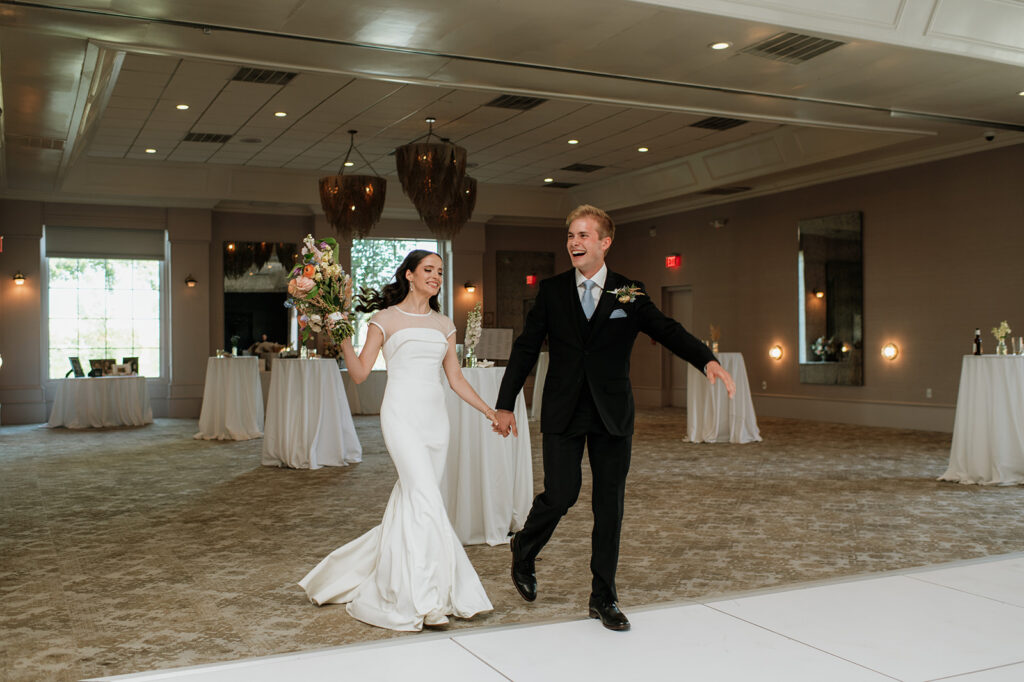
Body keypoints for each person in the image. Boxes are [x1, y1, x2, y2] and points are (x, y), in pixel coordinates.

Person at [493, 204, 735, 632]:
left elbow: (666, 328)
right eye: (570, 235)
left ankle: (603, 596)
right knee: (562, 493)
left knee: (610, 507)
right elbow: (526, 348)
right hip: (564, 408)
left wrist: (705, 360)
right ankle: (524, 549)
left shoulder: (628, 292)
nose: (574, 242)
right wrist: (506, 403)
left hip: (612, 412)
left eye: (584, 235)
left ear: (605, 243)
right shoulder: (551, 291)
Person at [299, 250, 497, 631]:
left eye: (440, 271)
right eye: (428, 270)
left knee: (417, 503)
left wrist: (488, 411)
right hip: (401, 417)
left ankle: (393, 576)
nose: (436, 276)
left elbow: (455, 380)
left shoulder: (444, 324)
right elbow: (358, 373)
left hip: (436, 421)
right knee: (423, 499)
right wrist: (340, 333)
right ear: (409, 274)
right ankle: (429, 600)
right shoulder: (384, 319)